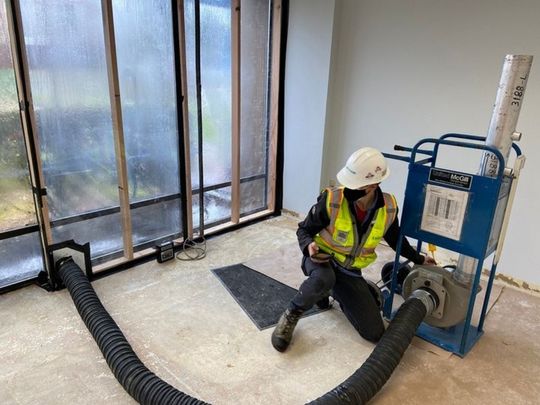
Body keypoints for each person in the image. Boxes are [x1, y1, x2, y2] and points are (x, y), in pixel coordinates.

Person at [271, 147, 436, 352]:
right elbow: (303, 230)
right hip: (320, 260)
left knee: (374, 333)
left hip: (348, 270)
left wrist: (419, 259)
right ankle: (291, 314)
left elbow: (395, 240)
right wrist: (309, 246)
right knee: (324, 278)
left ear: (373, 185)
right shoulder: (333, 200)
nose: (348, 188)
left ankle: (332, 290)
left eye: (355, 185)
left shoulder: (388, 208)